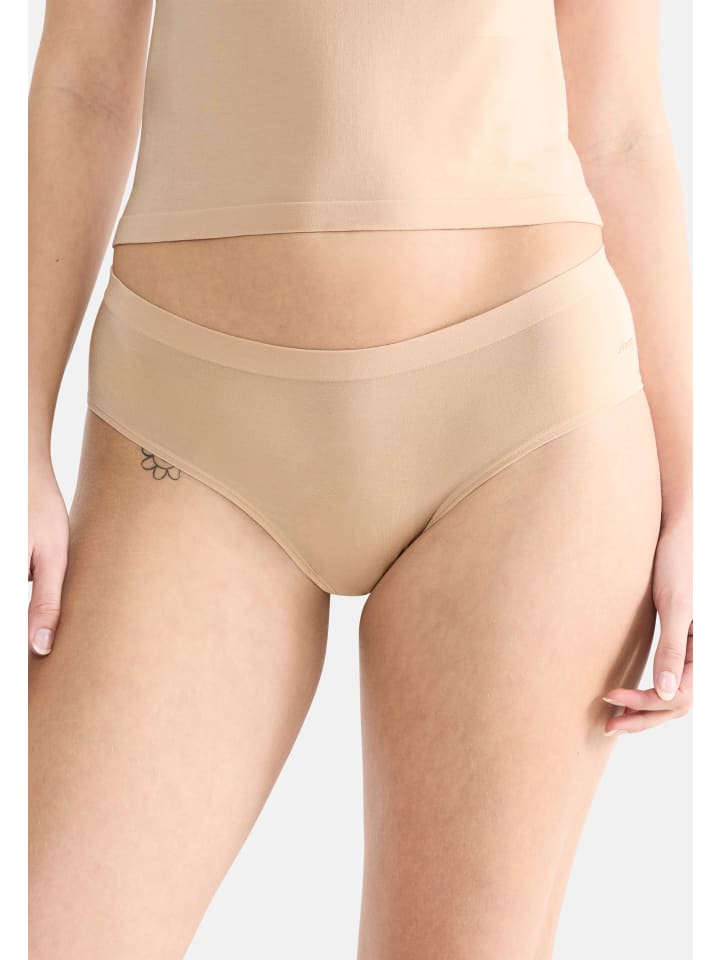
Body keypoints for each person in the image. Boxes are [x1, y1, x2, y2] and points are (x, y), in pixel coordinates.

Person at [28, 1, 692, 957]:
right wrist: (20, 432)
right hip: (185, 424)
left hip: (524, 422)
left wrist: (692, 497)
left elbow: (622, 127)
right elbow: (80, 88)